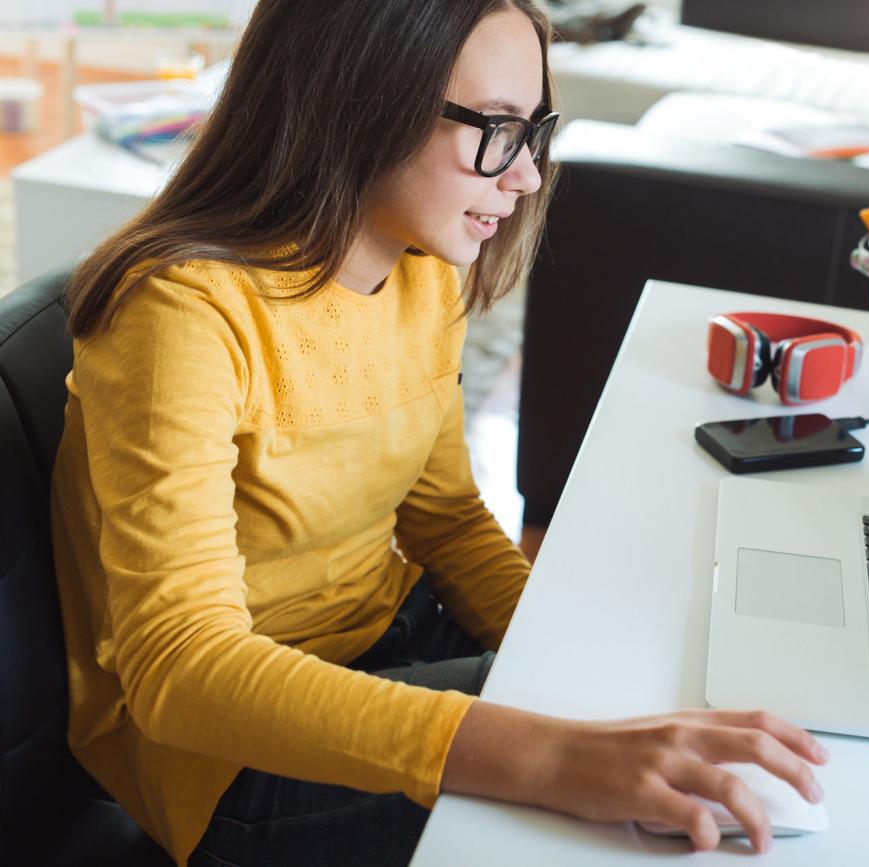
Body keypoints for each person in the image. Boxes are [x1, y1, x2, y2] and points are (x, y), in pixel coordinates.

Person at [50, 2, 827, 865]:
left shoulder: (421, 269)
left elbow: (447, 518)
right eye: (496, 129)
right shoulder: (181, 315)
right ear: (358, 102)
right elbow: (182, 673)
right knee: (677, 822)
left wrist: (570, 652)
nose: (527, 175)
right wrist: (557, 749)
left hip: (393, 638)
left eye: (535, 131)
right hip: (231, 757)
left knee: (684, 719)